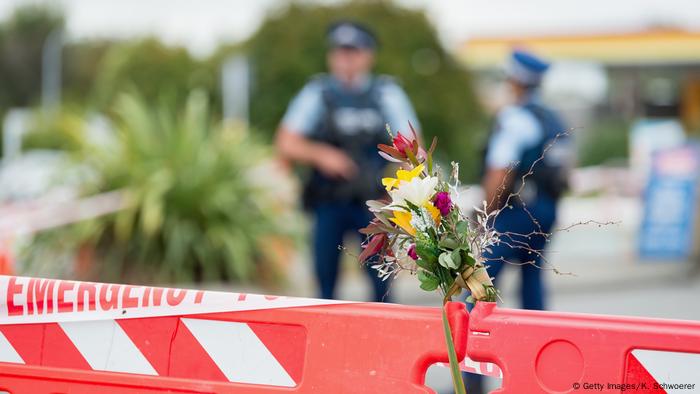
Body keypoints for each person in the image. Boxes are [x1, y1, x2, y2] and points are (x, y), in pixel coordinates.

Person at [275, 21, 420, 302]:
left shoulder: (386, 93)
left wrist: (403, 198)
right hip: (329, 203)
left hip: (374, 204)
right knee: (325, 287)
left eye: (353, 52)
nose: (346, 59)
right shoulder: (317, 93)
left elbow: (415, 152)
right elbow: (285, 142)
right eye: (340, 52)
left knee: (383, 287)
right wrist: (321, 154)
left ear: (368, 56)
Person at [481, 48, 570, 310]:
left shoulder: (515, 118)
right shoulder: (552, 118)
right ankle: (535, 342)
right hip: (546, 208)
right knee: (532, 278)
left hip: (517, 210)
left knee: (481, 277)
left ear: (515, 81)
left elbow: (500, 171)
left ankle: (465, 340)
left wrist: (486, 214)